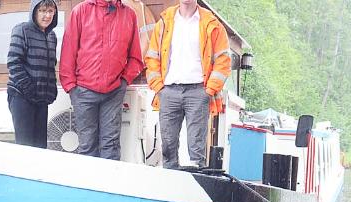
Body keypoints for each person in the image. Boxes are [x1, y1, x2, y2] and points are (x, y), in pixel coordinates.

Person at [144, 0, 232, 169]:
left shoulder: (212, 24)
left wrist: (209, 90)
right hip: (168, 91)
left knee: (196, 148)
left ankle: (195, 186)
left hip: (198, 91)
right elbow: (152, 56)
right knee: (168, 147)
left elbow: (223, 60)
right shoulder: (164, 21)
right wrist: (159, 87)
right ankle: (169, 186)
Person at [59, 0, 144, 160]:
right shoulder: (80, 11)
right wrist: (71, 87)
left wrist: (124, 81)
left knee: (111, 146)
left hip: (114, 92)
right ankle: (88, 184)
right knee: (87, 146)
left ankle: (110, 185)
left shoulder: (129, 15)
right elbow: (68, 51)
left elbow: (135, 57)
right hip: (83, 91)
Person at [7, 0, 59, 148]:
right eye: (42, 11)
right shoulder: (21, 30)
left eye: (50, 11)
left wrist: (51, 90)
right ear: (34, 11)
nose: (46, 15)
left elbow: (51, 65)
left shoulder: (52, 36)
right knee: (25, 147)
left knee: (40, 147)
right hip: (21, 97)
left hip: (41, 99)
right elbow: (13, 62)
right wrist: (29, 89)